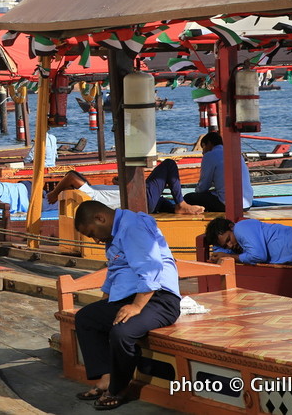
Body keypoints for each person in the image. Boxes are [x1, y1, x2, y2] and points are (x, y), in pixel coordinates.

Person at [72, 200, 182, 410]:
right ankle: (106, 377)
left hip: (159, 299)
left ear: (100, 218)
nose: (95, 240)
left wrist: (137, 307)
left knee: (122, 332)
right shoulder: (114, 234)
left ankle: (118, 388)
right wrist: (104, 304)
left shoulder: (133, 227)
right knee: (86, 318)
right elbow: (114, 273)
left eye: (92, 233)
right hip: (132, 297)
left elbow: (151, 268)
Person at [48, 161, 205, 215]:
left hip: (145, 202)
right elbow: (71, 176)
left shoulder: (92, 191)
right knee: (169, 164)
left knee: (162, 201)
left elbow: (75, 176)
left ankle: (175, 208)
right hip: (142, 199)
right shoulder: (90, 193)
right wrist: (55, 193)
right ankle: (181, 204)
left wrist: (119, 184)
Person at [184, 132, 253, 212]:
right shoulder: (236, 153)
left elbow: (204, 186)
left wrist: (198, 193)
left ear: (209, 143)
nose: (203, 152)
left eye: (203, 147)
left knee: (188, 197)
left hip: (227, 205)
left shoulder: (209, 155)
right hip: (247, 204)